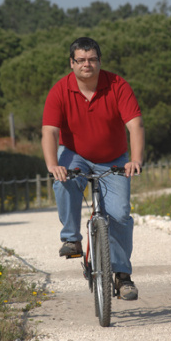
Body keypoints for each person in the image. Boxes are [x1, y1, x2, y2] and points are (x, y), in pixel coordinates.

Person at [42, 37, 145, 300]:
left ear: (99, 61)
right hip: (76, 155)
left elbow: (135, 125)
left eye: (92, 59)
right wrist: (53, 164)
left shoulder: (117, 85)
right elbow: (50, 132)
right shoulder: (60, 90)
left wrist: (136, 159)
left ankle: (122, 276)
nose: (87, 64)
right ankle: (71, 239)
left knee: (120, 214)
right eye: (81, 60)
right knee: (63, 180)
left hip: (114, 158)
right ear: (72, 63)